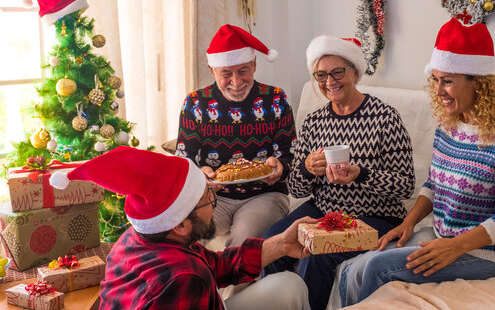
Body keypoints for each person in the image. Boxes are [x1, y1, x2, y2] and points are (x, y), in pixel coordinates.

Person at [334, 18, 495, 307]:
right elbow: (434, 184)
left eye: (448, 81)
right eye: (436, 80)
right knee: (355, 265)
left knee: (378, 268)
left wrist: (456, 247)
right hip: (445, 236)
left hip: (493, 254)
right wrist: (409, 222)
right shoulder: (449, 125)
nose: (439, 90)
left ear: (478, 83)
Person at [50, 146, 312, 309]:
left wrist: (281, 244)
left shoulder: (136, 237)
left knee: (290, 284)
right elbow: (194, 275)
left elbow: (216, 265)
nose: (214, 202)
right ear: (181, 225)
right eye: (206, 198)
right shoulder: (184, 278)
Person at [262, 35, 416, 310]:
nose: (329, 81)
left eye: (337, 72)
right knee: (271, 242)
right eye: (321, 75)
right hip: (323, 210)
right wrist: (308, 169)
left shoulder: (385, 118)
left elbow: (405, 186)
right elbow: (296, 191)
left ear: (355, 73)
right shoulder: (314, 122)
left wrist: (360, 174)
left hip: (376, 215)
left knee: (317, 253)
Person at [176, 24, 296, 247]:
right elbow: (184, 159)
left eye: (243, 70)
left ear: (254, 65)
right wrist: (201, 177)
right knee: (186, 242)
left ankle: (226, 283)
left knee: (243, 243)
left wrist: (281, 167)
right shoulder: (196, 103)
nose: (237, 81)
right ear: (212, 71)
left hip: (265, 194)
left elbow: (291, 155)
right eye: (226, 74)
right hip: (212, 197)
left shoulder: (275, 99)